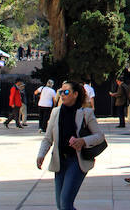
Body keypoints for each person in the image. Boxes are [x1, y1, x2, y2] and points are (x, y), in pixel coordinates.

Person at [36, 81, 105, 210]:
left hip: (76, 161)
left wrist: (83, 141)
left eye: (66, 92)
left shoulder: (86, 113)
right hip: (60, 161)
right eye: (61, 92)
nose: (62, 94)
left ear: (75, 94)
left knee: (65, 203)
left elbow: (100, 136)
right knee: (61, 205)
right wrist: (41, 154)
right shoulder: (56, 112)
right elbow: (48, 138)